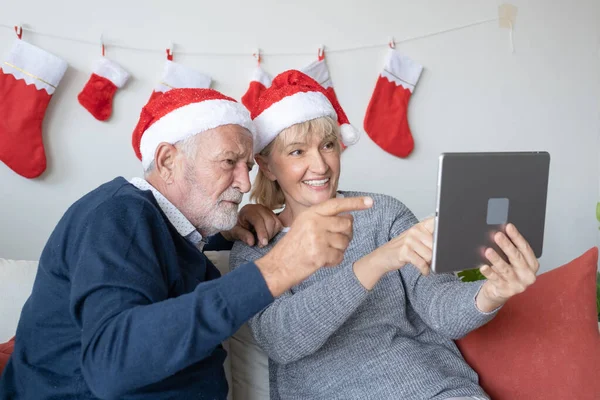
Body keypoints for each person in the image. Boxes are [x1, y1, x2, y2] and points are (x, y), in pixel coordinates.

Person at [0, 88, 374, 399]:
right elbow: (110, 363)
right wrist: (277, 269)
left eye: (248, 166)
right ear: (167, 161)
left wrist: (220, 231)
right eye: (229, 162)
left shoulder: (175, 233)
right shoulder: (119, 215)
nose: (245, 184)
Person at [230, 70, 540, 400]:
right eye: (297, 152)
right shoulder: (254, 249)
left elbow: (439, 307)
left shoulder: (383, 214)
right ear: (265, 164)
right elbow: (283, 340)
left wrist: (493, 292)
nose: (320, 166)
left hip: (435, 390)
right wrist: (376, 262)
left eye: (328, 145)